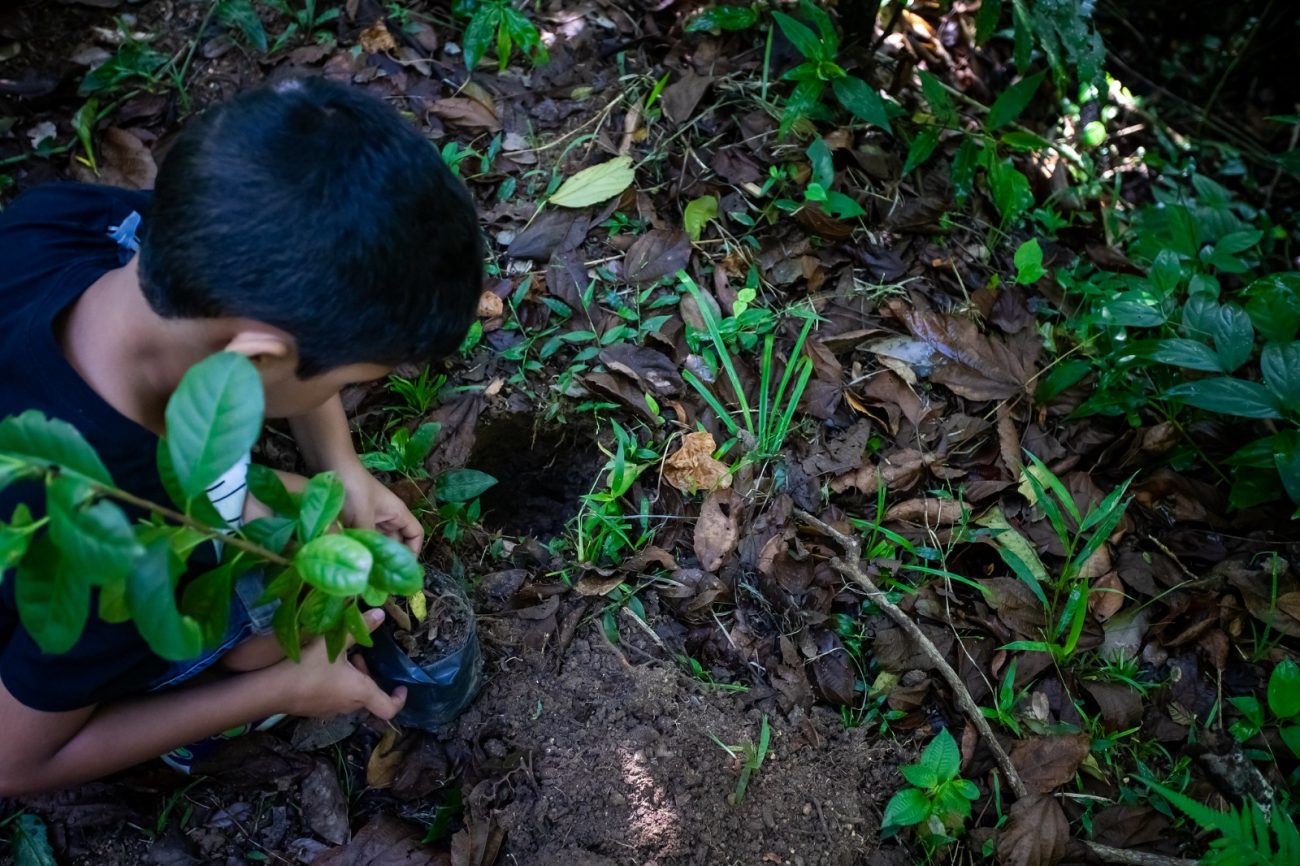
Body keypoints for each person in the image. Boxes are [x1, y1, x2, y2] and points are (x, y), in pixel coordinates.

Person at [0, 76, 482, 795]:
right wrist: (283, 688)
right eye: (340, 383)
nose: (335, 397)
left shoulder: (78, 227)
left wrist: (338, 464)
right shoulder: (108, 544)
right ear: (254, 361)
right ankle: (192, 698)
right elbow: (13, 760)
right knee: (261, 644)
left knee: (278, 530)